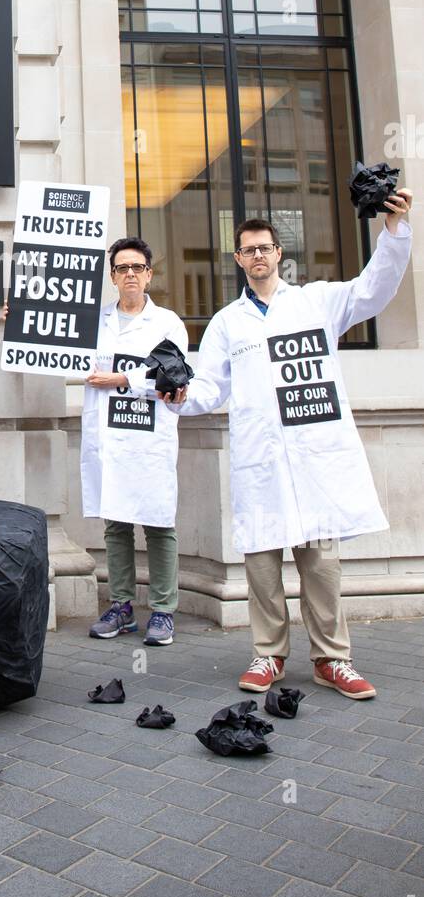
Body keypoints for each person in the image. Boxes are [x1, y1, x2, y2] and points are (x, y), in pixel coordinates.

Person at [170, 192, 413, 699]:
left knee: (322, 567)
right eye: (248, 250)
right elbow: (210, 389)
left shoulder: (316, 302)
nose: (257, 256)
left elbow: (375, 288)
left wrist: (393, 228)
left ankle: (332, 659)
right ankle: (269, 654)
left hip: (313, 463)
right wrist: (176, 395)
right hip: (261, 465)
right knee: (260, 566)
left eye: (265, 247)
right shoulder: (226, 323)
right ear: (237, 259)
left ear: (279, 252)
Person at [81, 237, 188, 645]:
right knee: (116, 521)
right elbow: (51, 346)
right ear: (112, 276)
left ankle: (162, 610)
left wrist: (123, 379)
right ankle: (122, 606)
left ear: (149, 274)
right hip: (108, 435)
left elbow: (175, 371)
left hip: (148, 437)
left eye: (137, 268)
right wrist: (18, 319)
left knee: (159, 522)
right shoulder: (95, 322)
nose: (129, 274)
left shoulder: (167, 323)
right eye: (122, 268)